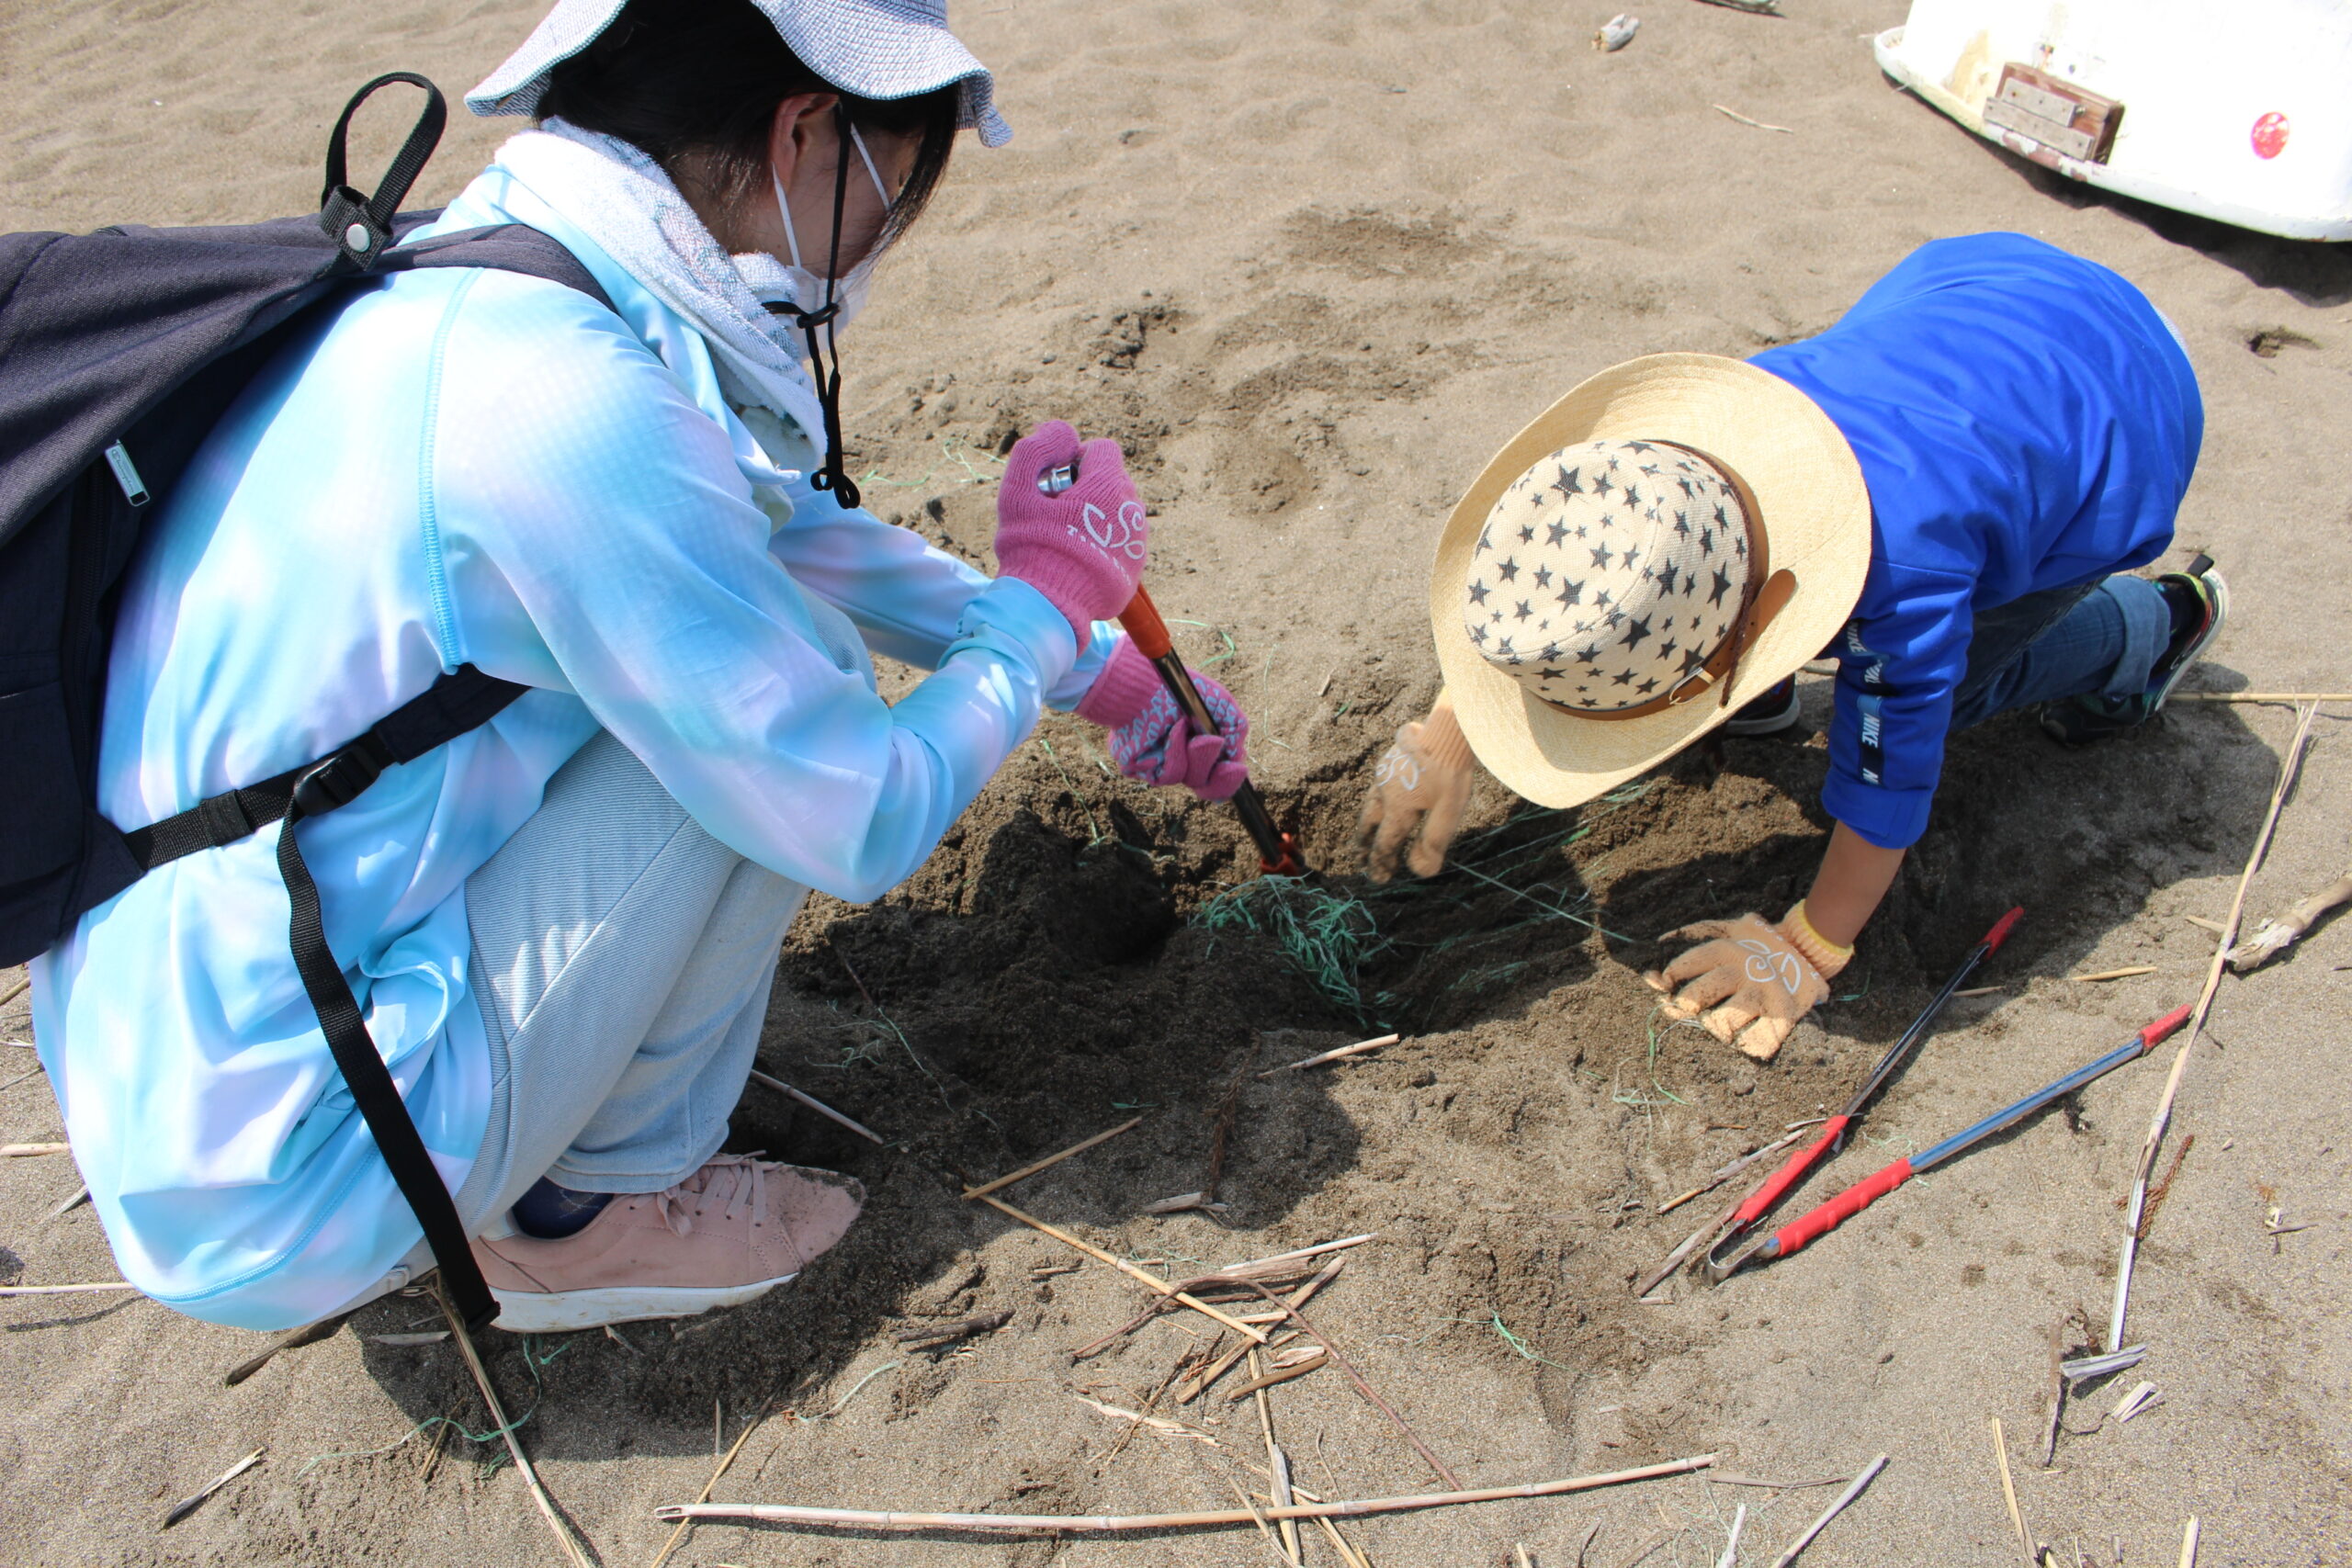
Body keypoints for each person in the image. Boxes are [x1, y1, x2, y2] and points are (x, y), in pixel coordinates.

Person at [28, 0, 1248, 1335]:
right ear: (804, 131)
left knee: (738, 650)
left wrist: (1095, 670)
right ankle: (590, 1213)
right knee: (787, 695)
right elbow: (858, 811)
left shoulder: (479, 278)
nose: (882, 244)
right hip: (287, 1170)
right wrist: (1036, 610)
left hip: (181, 1059)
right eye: (891, 196)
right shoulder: (561, 401)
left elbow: (768, 526)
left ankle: (540, 1140)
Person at [1356, 233, 2220, 1062]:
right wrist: (1453, 728)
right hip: (1990, 292)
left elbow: (1893, 768)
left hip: (2124, 417)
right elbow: (1567, 574)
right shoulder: (1695, 467)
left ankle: (2148, 629)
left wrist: (1809, 945)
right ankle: (1762, 698)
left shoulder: (1905, 573)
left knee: (1955, 690)